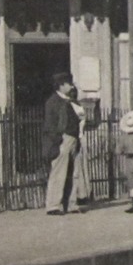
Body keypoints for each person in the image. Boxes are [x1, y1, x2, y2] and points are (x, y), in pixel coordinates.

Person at [42, 73, 89, 215]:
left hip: (74, 139)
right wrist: (57, 141)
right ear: (61, 85)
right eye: (69, 83)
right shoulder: (53, 102)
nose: (72, 86)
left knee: (73, 173)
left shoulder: (71, 101)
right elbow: (50, 125)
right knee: (58, 173)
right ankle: (53, 206)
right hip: (62, 140)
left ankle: (71, 204)